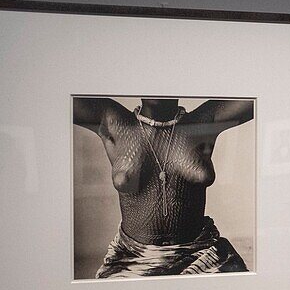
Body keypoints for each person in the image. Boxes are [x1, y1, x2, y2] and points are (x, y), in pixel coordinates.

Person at [74, 96, 254, 278]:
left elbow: (265, 93)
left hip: (202, 256)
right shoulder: (113, 119)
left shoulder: (203, 119)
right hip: (131, 261)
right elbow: (55, 93)